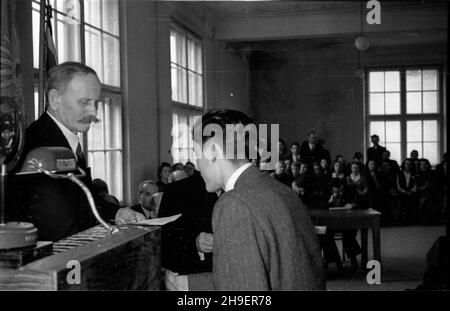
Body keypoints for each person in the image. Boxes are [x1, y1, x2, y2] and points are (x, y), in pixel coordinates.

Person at [165, 108, 325, 291]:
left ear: (212, 150)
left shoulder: (233, 204)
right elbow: (273, 273)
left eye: (196, 152)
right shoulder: (282, 191)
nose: (198, 167)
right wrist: (191, 284)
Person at [10, 62, 130, 241]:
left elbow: (81, 199)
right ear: (55, 100)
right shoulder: (38, 147)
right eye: (85, 102)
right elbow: (59, 226)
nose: (93, 111)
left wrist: (117, 212)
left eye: (95, 102)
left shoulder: (64, 138)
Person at [158, 171, 218, 275]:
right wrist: (194, 242)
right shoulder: (178, 190)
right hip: (196, 276)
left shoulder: (249, 188)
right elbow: (165, 242)